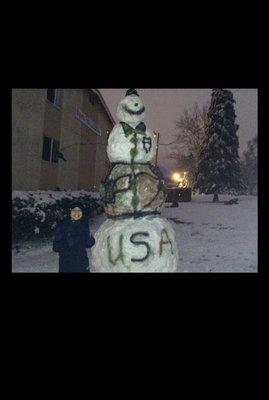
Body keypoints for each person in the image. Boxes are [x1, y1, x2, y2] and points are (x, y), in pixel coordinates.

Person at [53, 201, 95, 273]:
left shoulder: (84, 224)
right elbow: (56, 247)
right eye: (74, 210)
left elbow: (89, 244)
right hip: (67, 263)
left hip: (82, 262)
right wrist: (67, 245)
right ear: (70, 212)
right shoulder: (62, 225)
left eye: (79, 210)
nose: (77, 213)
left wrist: (89, 236)